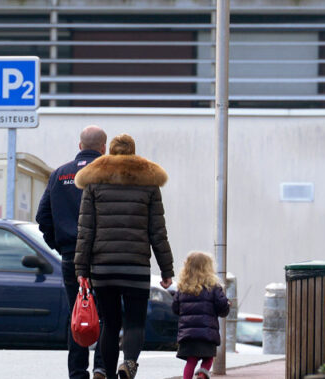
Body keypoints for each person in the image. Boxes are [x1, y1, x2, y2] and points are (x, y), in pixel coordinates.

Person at [75, 133, 174, 379]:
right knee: (135, 322)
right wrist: (166, 270)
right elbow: (157, 231)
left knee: (110, 323)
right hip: (136, 266)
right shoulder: (148, 184)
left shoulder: (94, 183)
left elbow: (85, 230)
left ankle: (105, 372)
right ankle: (128, 364)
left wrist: (81, 270)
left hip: (103, 268)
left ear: (109, 151)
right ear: (133, 152)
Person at [36, 125, 108, 379]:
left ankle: (77, 373)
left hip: (70, 256)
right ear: (103, 147)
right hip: (103, 256)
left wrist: (60, 245)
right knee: (105, 313)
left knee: (77, 312)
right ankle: (101, 366)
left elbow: (42, 216)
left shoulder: (60, 174)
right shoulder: (109, 172)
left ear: (80, 146)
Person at [172, 251, 230, 379]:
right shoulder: (214, 287)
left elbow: (175, 308)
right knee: (208, 359)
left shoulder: (182, 288)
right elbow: (222, 307)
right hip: (207, 333)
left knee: (191, 361)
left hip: (188, 334)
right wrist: (227, 305)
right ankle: (203, 374)